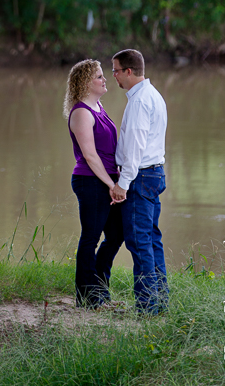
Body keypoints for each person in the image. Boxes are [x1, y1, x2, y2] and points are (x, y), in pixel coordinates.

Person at [110, 48, 168, 314]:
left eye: (116, 71)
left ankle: (147, 308)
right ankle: (160, 301)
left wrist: (122, 184)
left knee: (139, 241)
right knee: (152, 239)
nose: (113, 76)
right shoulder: (152, 94)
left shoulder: (139, 101)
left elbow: (135, 147)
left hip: (140, 176)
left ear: (129, 71)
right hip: (154, 173)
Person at [64, 58, 124, 308]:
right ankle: (87, 298)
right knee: (91, 238)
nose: (104, 79)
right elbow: (90, 155)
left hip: (108, 180)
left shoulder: (98, 107)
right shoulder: (81, 113)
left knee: (117, 234)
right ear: (85, 82)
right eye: (99, 76)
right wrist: (111, 184)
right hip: (91, 181)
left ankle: (99, 288)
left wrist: (117, 179)